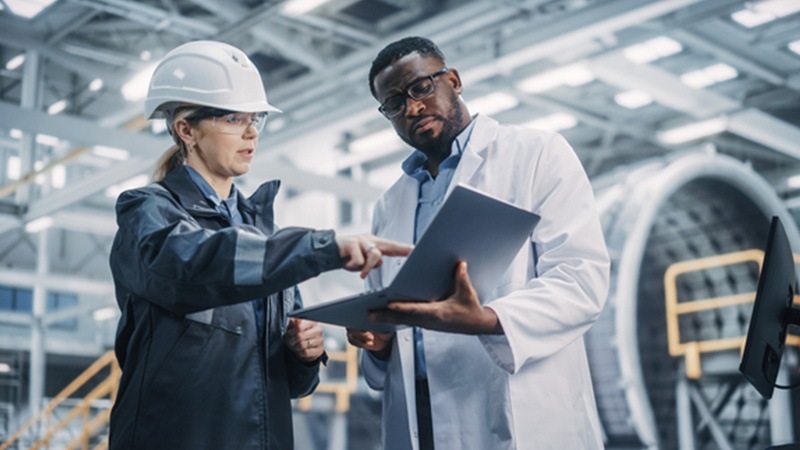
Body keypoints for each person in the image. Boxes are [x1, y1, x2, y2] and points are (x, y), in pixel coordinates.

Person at [108, 40, 411, 450]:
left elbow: (287, 383)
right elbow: (195, 266)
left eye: (256, 119)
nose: (252, 132)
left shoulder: (263, 233)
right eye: (234, 118)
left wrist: (301, 354)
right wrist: (322, 247)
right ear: (186, 130)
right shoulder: (146, 212)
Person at [346, 36, 611, 449]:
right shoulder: (388, 205)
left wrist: (488, 319)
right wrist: (376, 345)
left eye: (421, 88)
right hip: (421, 422)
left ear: (453, 79)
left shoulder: (537, 154)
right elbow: (388, 321)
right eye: (394, 104)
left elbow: (581, 280)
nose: (413, 108)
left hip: (516, 411)